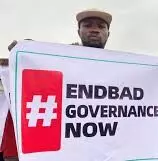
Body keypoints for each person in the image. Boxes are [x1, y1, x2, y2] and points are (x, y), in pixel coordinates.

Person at [2, 9, 113, 161]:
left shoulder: (122, 67)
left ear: (108, 33)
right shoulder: (59, 59)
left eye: (101, 26)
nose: (94, 30)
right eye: (87, 25)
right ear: (79, 32)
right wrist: (26, 53)